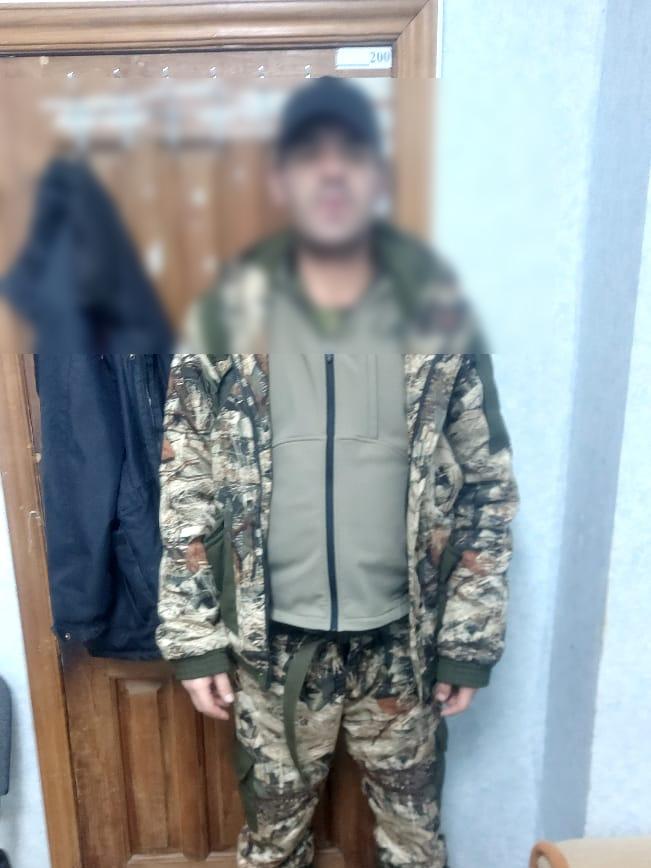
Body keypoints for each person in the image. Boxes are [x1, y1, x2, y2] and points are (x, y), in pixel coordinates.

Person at [156, 76, 519, 868]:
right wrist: (194, 642)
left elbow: (487, 489)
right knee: (271, 846)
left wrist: (467, 642)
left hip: (402, 647)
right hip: (270, 652)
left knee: (414, 846)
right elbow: (186, 490)